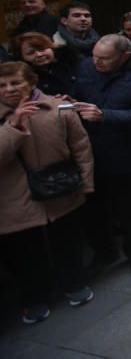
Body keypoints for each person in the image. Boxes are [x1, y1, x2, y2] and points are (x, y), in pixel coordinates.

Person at [0, 61, 95, 325]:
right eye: (2, 85)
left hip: (60, 189)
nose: (9, 89)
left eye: (16, 83)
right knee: (24, 254)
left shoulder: (58, 107)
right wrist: (13, 127)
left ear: (31, 83)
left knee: (67, 241)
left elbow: (81, 147)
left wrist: (85, 183)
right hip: (13, 201)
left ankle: (74, 283)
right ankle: (35, 297)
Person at [73, 35, 131, 276]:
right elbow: (77, 93)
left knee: (130, 206)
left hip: (125, 150)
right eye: (95, 57)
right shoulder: (86, 65)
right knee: (94, 207)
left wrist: (104, 115)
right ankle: (104, 251)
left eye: (104, 59)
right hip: (87, 149)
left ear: (125, 57)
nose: (97, 63)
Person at [13, 32, 78, 96]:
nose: (39, 55)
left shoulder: (73, 63)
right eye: (31, 53)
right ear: (22, 57)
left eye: (42, 49)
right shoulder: (24, 77)